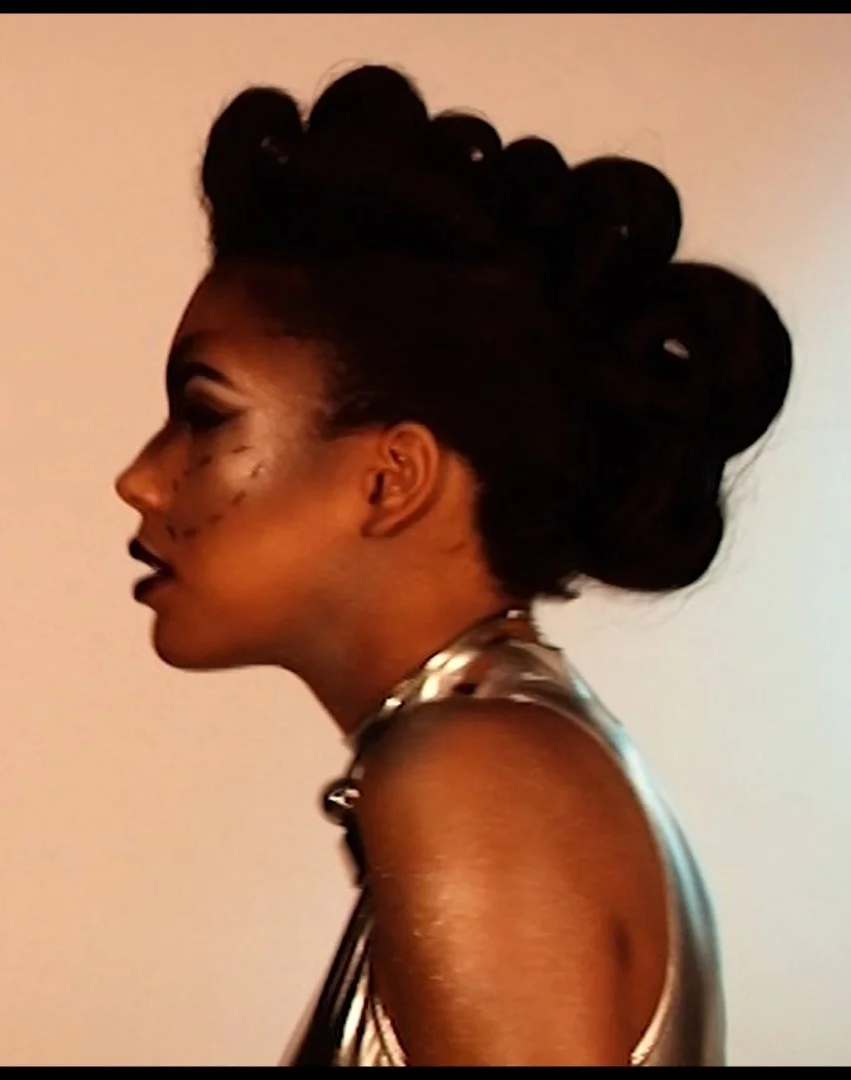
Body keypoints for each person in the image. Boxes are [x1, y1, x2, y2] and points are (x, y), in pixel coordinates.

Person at [115, 63, 791, 1066]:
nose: (140, 479)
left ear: (393, 477)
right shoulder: (511, 746)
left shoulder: (471, 778)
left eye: (205, 414)